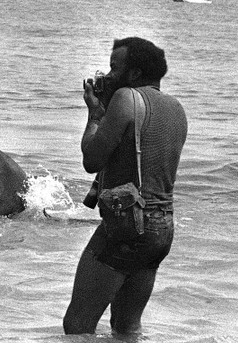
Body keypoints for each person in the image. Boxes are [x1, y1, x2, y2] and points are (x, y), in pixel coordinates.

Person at [63, 38, 187, 335]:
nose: (107, 75)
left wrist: (95, 113)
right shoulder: (176, 109)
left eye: (114, 67)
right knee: (126, 326)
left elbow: (92, 160)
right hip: (161, 229)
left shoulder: (126, 98)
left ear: (133, 74)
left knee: (78, 324)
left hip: (127, 226)